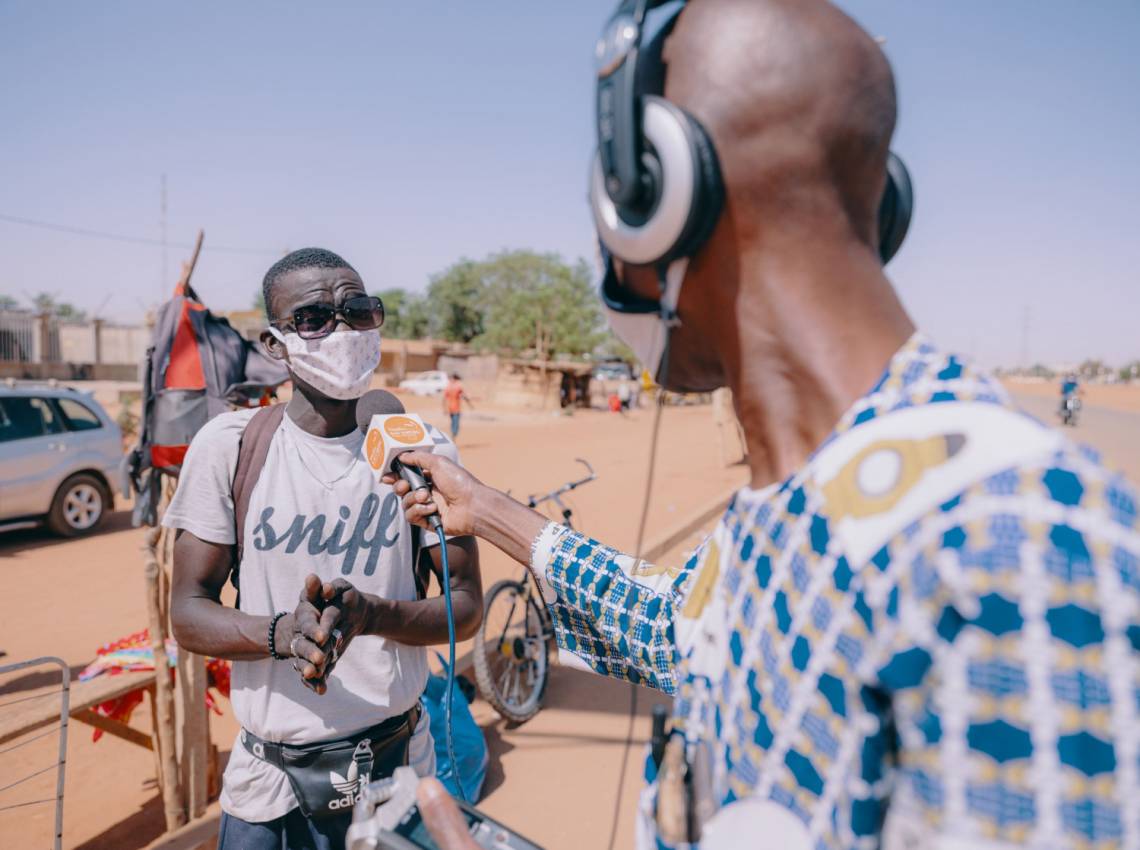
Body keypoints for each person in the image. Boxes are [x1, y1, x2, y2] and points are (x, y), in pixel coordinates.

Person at [388, 2, 1140, 848]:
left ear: (658, 193)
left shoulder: (1016, 550)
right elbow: (675, 624)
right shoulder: (804, 501)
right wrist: (479, 505)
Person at [165, 248, 482, 849]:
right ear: (275, 344)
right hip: (271, 786)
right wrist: (282, 634)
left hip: (397, 766)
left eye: (357, 310)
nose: (340, 330)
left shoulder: (421, 451)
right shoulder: (230, 448)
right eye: (312, 318)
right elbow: (187, 611)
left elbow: (465, 606)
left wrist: (373, 616)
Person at [442, 373, 471, 440]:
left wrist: (444, 408)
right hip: (455, 408)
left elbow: (444, 399)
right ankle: (454, 434)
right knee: (455, 423)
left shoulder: (448, 387)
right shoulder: (458, 387)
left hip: (451, 408)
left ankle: (453, 434)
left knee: (453, 422)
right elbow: (464, 396)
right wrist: (469, 404)